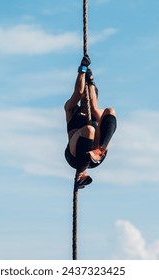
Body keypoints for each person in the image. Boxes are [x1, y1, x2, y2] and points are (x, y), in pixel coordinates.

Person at [64, 55, 117, 189]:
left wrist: (92, 81)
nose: (85, 101)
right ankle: (80, 174)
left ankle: (100, 150)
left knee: (110, 110)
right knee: (89, 130)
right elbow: (78, 92)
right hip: (75, 156)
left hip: (95, 157)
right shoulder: (71, 109)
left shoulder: (96, 111)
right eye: (83, 99)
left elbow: (93, 105)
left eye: (87, 99)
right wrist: (82, 71)